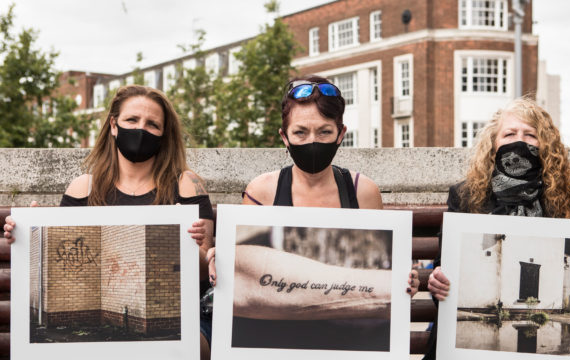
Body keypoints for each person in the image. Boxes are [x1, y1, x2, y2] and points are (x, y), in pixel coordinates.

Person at [206, 75, 420, 350]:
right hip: (277, 341)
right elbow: (246, 272)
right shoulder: (263, 190)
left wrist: (406, 282)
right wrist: (221, 258)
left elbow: (387, 267)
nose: (312, 141)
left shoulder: (363, 191)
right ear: (284, 137)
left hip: (351, 343)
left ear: (341, 134)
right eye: (300, 132)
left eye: (324, 132)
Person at [3, 85, 215, 360]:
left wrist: (188, 245)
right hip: (96, 326)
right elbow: (63, 263)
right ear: (114, 125)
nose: (141, 129)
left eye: (153, 124)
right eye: (132, 120)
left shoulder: (187, 184)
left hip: (182, 318)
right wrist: (29, 233)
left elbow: (205, 274)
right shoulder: (84, 188)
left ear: (164, 134)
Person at [424, 97, 570, 359]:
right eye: (510, 133)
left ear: (545, 144)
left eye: (530, 134)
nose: (520, 141)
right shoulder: (466, 194)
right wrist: (438, 281)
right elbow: (443, 268)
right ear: (494, 143)